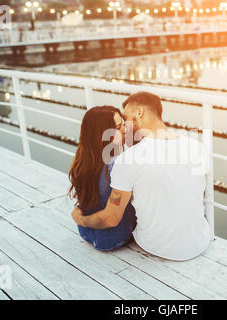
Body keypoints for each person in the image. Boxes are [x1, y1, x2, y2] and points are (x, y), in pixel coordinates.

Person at [71, 92, 213, 261]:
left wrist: (81, 220)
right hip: (200, 241)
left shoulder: (128, 159)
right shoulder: (197, 146)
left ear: (139, 112)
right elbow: (195, 193)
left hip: (155, 246)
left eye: (125, 118)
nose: (125, 126)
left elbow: (111, 218)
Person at [68, 106, 136, 251]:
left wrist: (81, 220)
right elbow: (111, 218)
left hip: (86, 233)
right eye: (118, 127)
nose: (125, 129)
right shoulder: (118, 164)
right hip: (115, 237)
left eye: (123, 123)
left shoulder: (83, 161)